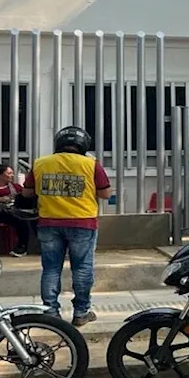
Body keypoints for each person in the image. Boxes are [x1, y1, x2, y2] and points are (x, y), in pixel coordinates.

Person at [22, 126, 112, 326]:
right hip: (82, 223)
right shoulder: (91, 164)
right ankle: (81, 312)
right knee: (82, 268)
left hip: (48, 222)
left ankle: (50, 313)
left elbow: (27, 193)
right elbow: (105, 194)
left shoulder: (40, 163)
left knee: (51, 269)